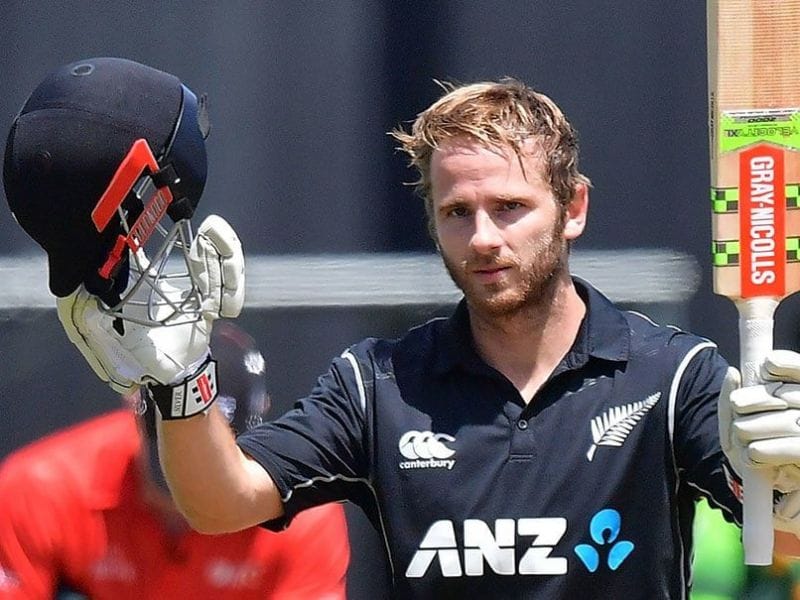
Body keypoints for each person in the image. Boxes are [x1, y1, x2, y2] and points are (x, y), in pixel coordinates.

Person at [8, 62, 800, 596]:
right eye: (457, 213)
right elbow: (221, 505)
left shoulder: (674, 377)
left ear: (575, 208)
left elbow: (781, 547)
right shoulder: (377, 385)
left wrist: (793, 494)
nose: (484, 237)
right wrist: (180, 382)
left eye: (511, 207)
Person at [0, 321, 350, 599]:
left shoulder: (304, 513)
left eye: (216, 460)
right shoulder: (40, 488)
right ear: (134, 411)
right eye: (170, 451)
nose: (187, 491)